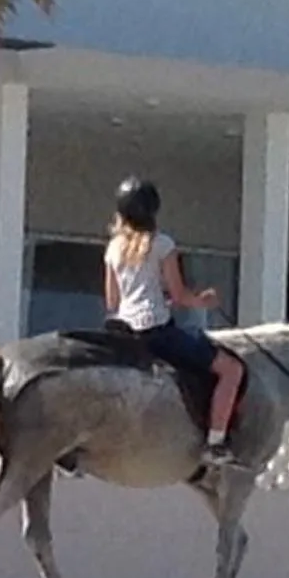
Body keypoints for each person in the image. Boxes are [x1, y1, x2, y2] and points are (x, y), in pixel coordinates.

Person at [104, 176, 244, 466]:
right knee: (231, 370)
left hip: (124, 333)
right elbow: (180, 296)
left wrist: (152, 300)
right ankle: (215, 442)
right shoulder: (163, 245)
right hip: (157, 332)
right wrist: (204, 300)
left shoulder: (113, 248)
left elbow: (113, 303)